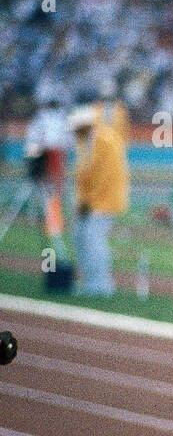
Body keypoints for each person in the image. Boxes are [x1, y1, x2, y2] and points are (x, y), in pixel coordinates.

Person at [70, 100, 130, 297]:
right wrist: (81, 201)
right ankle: (89, 280)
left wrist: (90, 201)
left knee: (94, 239)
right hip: (90, 202)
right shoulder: (86, 141)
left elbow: (105, 177)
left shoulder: (105, 140)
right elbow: (83, 176)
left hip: (105, 201)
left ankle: (101, 284)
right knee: (80, 237)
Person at [22, 90, 73, 238]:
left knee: (45, 190)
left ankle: (49, 221)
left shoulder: (41, 118)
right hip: (54, 154)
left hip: (45, 154)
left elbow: (32, 140)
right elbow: (67, 140)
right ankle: (54, 223)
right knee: (54, 191)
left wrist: (31, 163)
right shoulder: (59, 118)